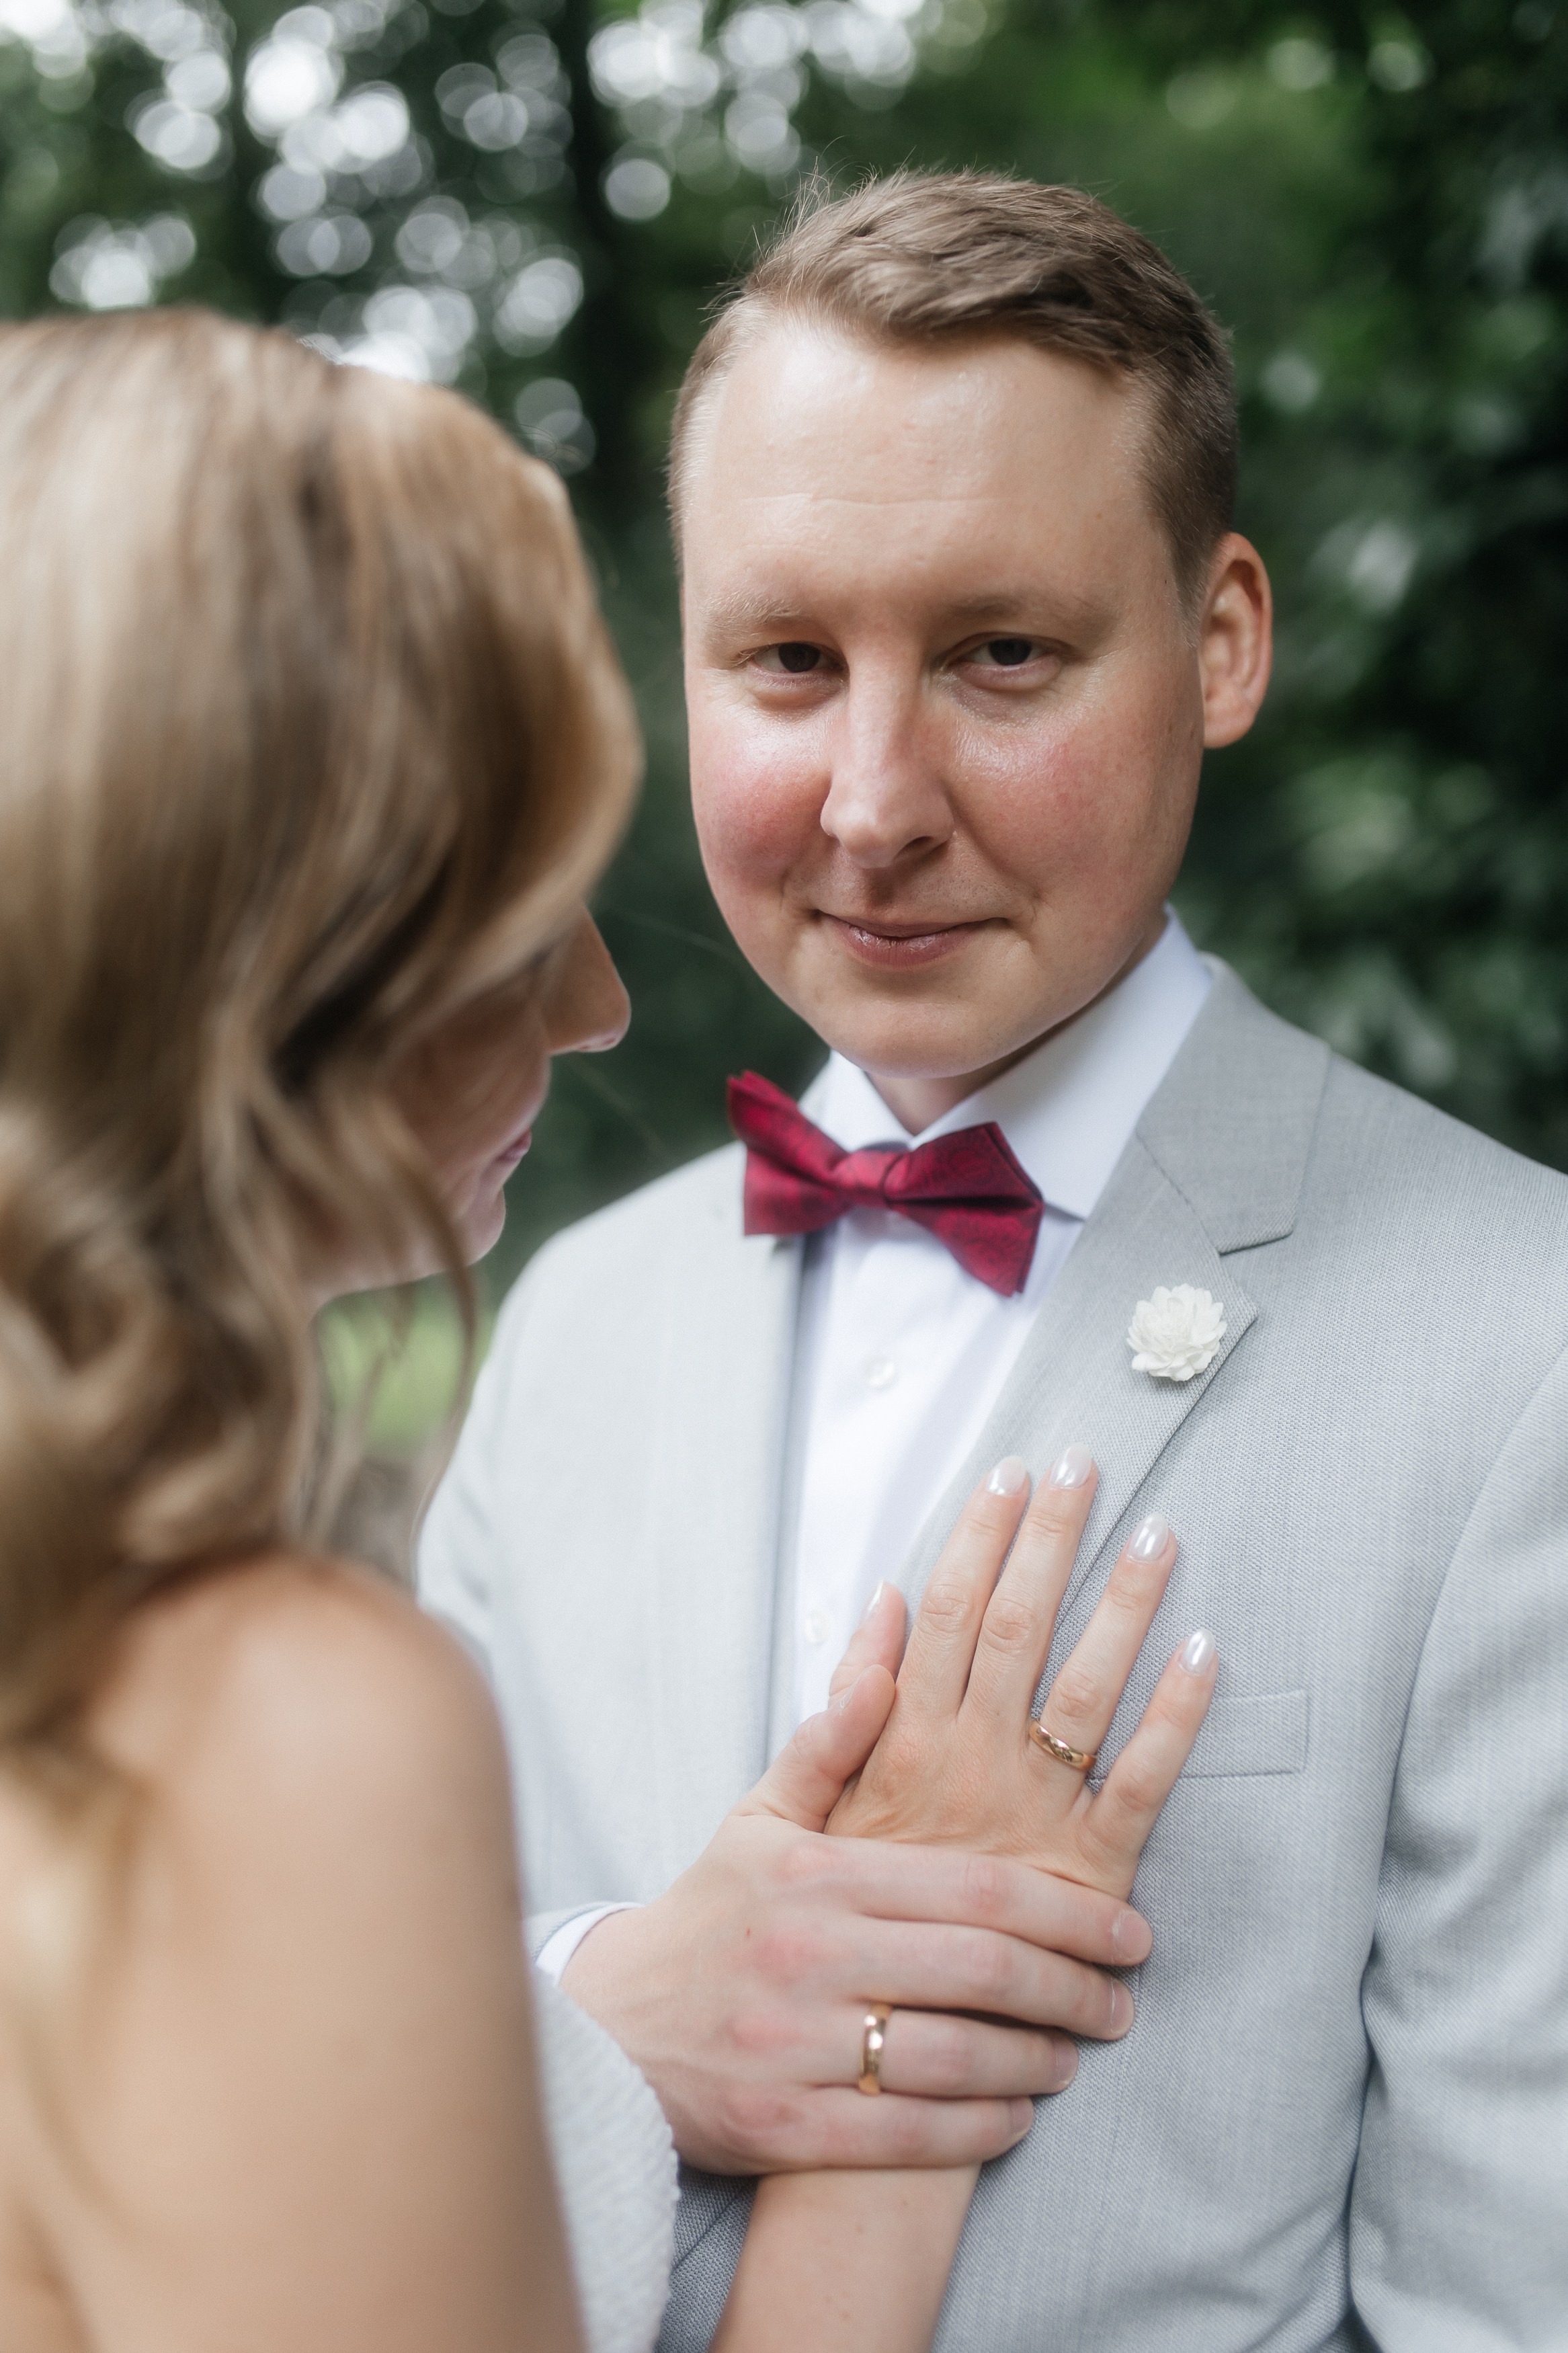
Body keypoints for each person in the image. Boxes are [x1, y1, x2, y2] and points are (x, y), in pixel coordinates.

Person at [419, 172, 1568, 2351]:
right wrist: (601, 1998)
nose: (871, 799)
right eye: (786, 661)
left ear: (1222, 641)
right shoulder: (575, 1319)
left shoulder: (1530, 1345)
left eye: (999, 655)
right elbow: (375, 2023)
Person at [0, 307, 1212, 2353]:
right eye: (517, 904)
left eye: (1002, 650)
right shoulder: (281, 1722)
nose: (599, 1001)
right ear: (267, 957)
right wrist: (888, 2097)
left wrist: (578, 2004)